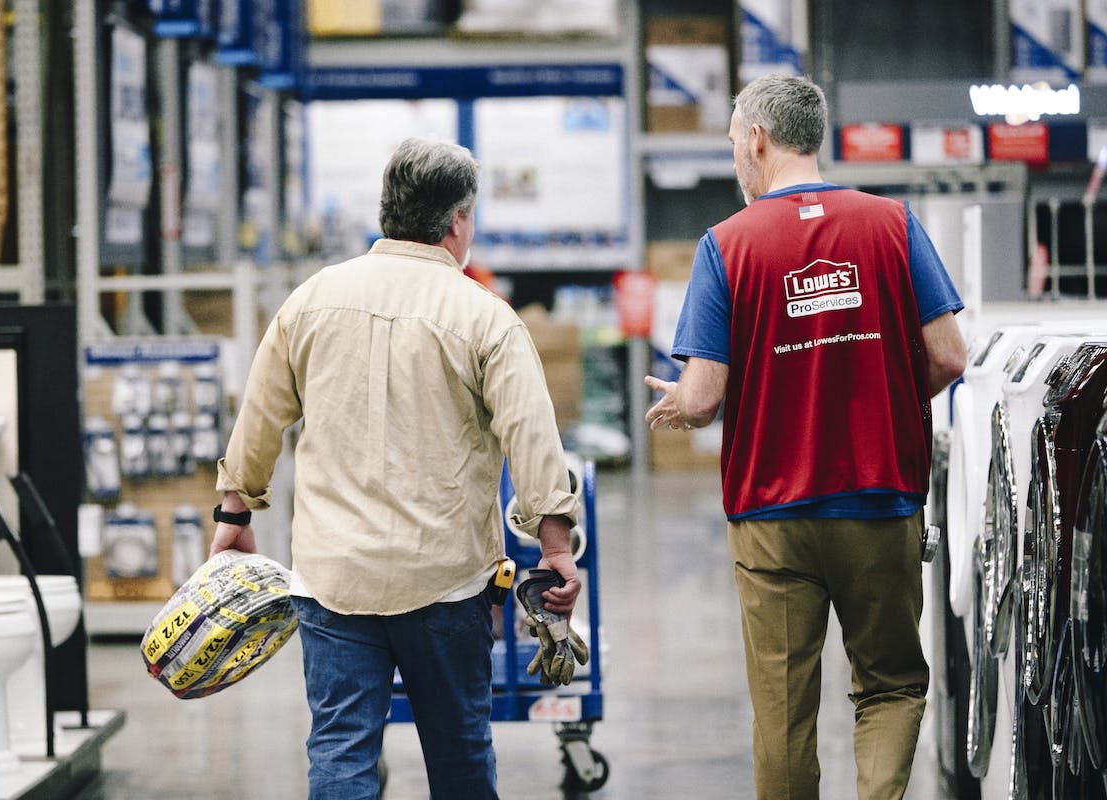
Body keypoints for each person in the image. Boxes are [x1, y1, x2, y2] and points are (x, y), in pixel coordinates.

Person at [209, 137, 581, 800]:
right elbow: (533, 437)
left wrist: (233, 514)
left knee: (339, 751)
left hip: (332, 578)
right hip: (444, 579)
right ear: (457, 222)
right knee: (460, 748)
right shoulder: (484, 318)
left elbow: (258, 418)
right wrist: (555, 548)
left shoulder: (312, 300)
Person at [645, 74, 966, 800]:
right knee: (889, 685)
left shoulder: (726, 244)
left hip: (772, 510)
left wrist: (681, 409)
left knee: (784, 713)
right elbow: (949, 355)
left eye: (732, 142)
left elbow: (702, 396)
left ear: (757, 139)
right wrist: (880, 396)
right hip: (880, 499)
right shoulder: (893, 224)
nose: (735, 157)